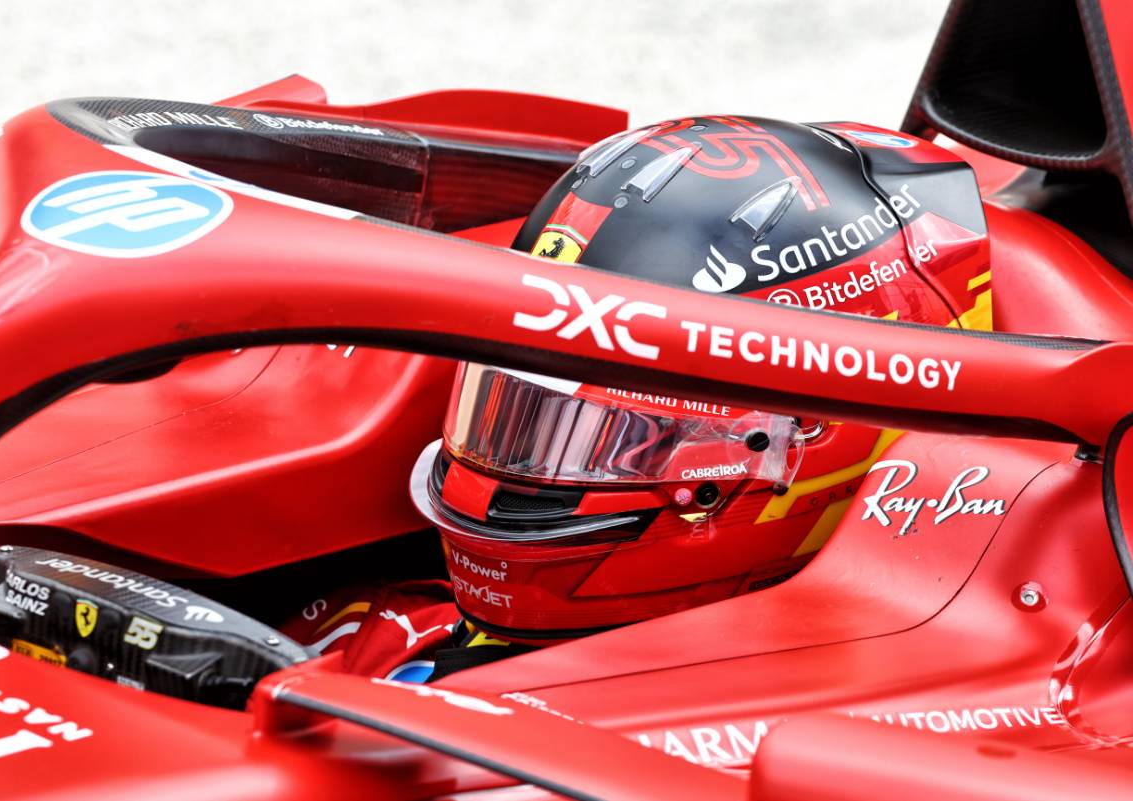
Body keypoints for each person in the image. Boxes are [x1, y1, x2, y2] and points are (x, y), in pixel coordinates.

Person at [282, 115, 992, 682]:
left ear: (800, 436)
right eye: (510, 412)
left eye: (611, 435)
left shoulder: (886, 714)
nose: (495, 482)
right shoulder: (374, 632)